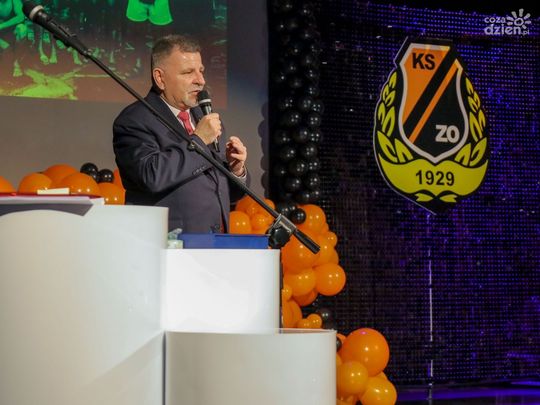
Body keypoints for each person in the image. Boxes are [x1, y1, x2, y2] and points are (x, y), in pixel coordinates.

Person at [113, 34, 248, 233]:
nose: (201, 81)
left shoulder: (204, 117)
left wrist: (236, 171)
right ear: (160, 78)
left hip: (214, 242)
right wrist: (199, 140)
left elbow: (222, 192)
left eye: (201, 71)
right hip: (167, 242)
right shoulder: (134, 120)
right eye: (188, 72)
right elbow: (151, 176)